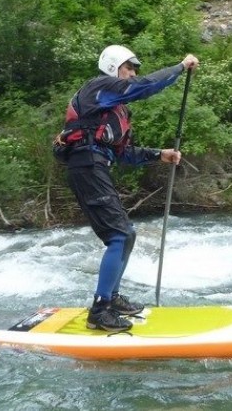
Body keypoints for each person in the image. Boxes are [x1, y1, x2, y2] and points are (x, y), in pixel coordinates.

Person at [53, 44, 200, 332]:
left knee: (127, 235)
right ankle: (99, 310)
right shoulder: (98, 88)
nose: (132, 73)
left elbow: (123, 153)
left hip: (95, 167)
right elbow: (143, 86)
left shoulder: (116, 110)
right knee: (119, 235)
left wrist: (160, 154)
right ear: (112, 67)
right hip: (86, 167)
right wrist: (179, 68)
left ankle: (112, 298)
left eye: (134, 69)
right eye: (128, 67)